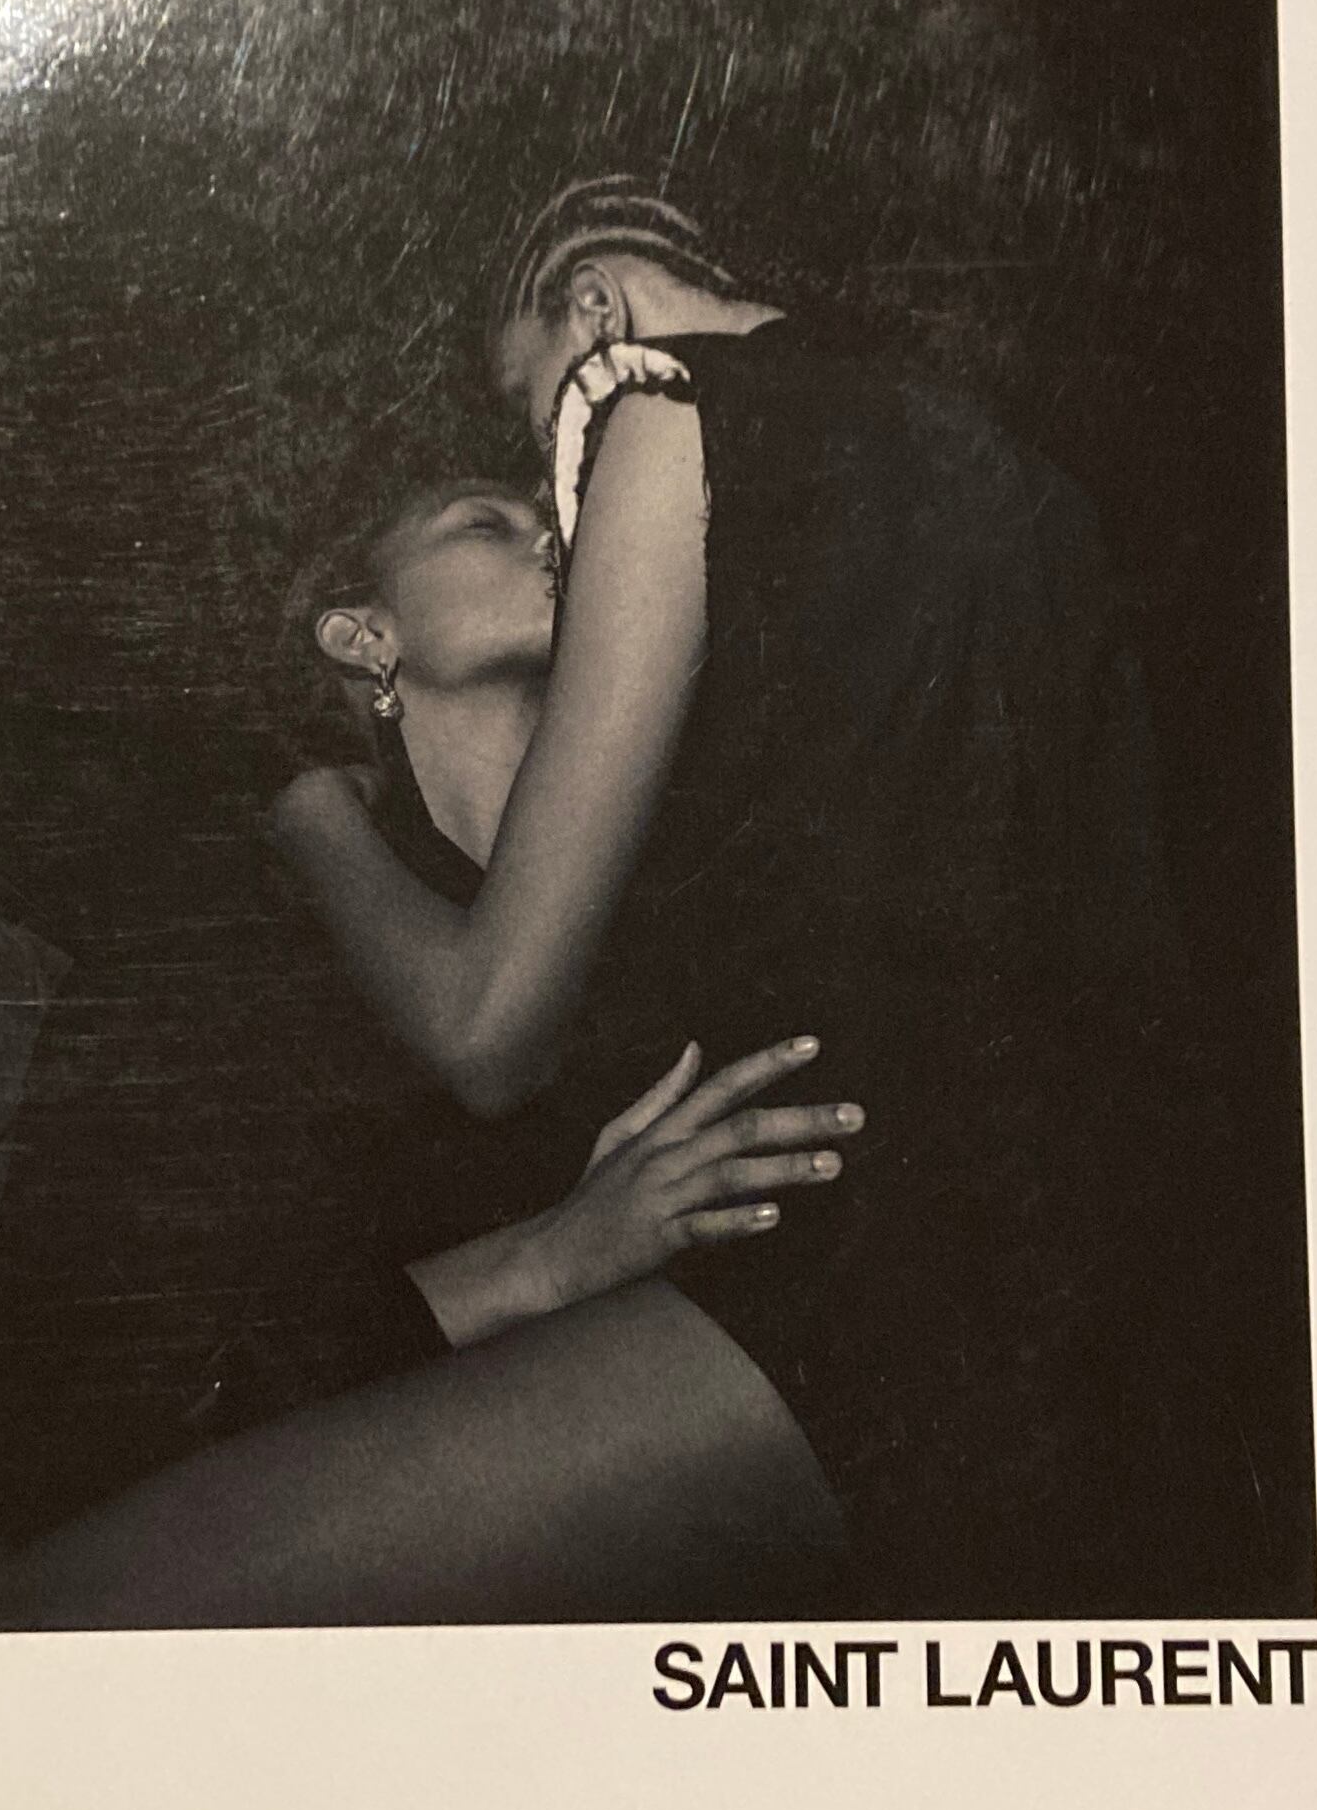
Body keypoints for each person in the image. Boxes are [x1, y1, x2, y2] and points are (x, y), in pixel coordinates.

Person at [269, 180, 1203, 1613]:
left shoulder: (659, 410)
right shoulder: (994, 459)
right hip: (1114, 1274)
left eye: (533, 416)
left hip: (870, 1275)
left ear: (595, 315)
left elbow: (484, 1028)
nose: (554, 516)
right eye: (493, 504)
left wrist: (301, 810)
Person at [0, 473, 868, 1628]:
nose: (557, 533)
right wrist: (548, 1257)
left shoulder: (668, 904)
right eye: (487, 522)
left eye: (553, 514)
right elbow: (104, 1409)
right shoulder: (231, 934)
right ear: (364, 636)